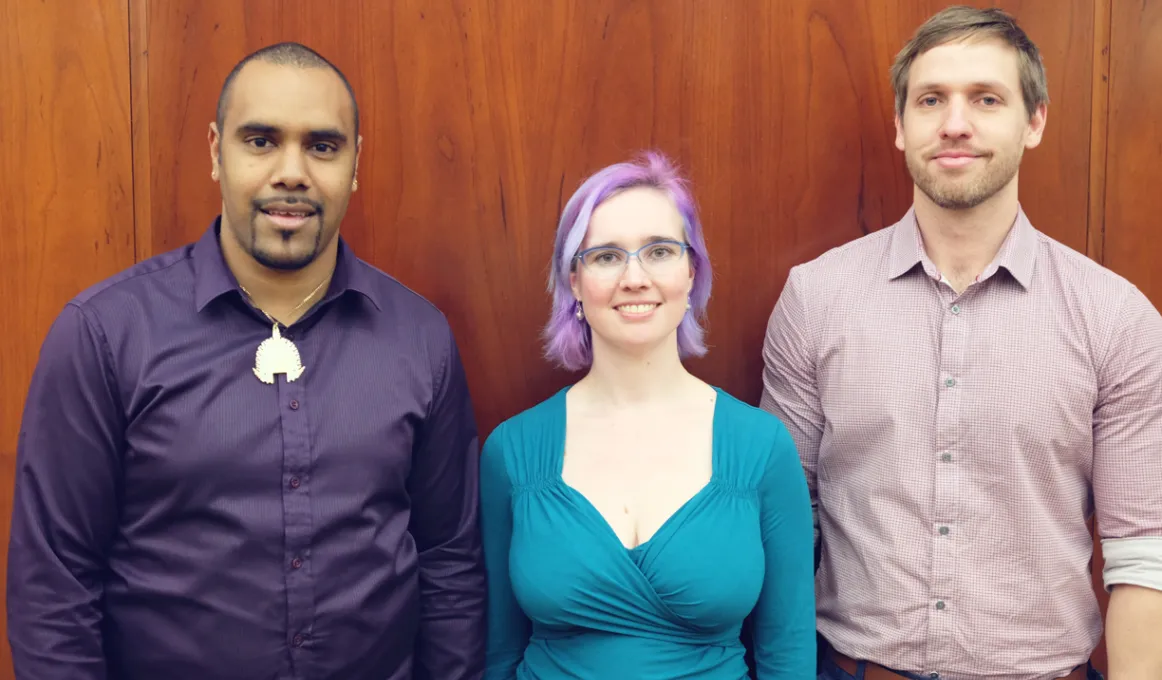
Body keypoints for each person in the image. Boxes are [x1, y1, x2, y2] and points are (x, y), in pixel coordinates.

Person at [7, 42, 486, 680]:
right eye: (260, 141)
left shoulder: (419, 337)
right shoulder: (106, 334)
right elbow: (54, 586)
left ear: (355, 163)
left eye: (322, 146)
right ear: (215, 151)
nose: (292, 172)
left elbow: (449, 562)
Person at [760, 6, 1162, 680]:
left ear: (1033, 122)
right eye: (930, 100)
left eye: (986, 98)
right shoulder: (815, 298)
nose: (954, 123)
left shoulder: (1116, 318)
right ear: (900, 125)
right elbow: (783, 529)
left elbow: (1143, 555)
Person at [479, 152, 816, 679]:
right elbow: (499, 651)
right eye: (607, 257)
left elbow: (788, 655)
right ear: (574, 281)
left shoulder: (761, 447)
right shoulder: (511, 450)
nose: (635, 278)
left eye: (659, 251)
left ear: (692, 270)